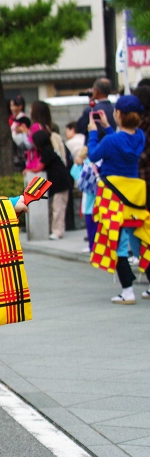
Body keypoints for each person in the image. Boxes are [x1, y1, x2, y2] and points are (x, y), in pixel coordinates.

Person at [87, 94, 149, 304]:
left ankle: (128, 291)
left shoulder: (110, 140)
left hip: (113, 198)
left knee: (118, 244)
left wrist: (94, 133)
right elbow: (123, 146)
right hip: (134, 198)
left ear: (118, 114)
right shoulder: (140, 136)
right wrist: (108, 128)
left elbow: (94, 155)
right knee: (139, 241)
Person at [30, 130, 72, 240]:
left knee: (58, 208)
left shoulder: (47, 152)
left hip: (61, 184)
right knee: (55, 207)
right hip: (57, 184)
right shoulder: (48, 151)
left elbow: (39, 167)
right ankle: (54, 229)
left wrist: (28, 170)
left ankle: (58, 231)